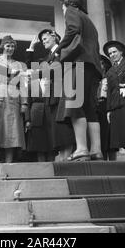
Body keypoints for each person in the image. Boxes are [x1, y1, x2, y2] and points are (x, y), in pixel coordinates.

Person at [54, 0, 103, 161]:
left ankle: (82, 149)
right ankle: (96, 150)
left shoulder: (71, 11)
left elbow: (72, 30)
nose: (62, 9)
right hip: (92, 66)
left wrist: (57, 49)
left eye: (62, 5)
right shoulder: (88, 20)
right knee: (89, 108)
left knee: (75, 104)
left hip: (78, 63)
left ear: (68, 4)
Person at [26, 29, 76, 161]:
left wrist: (36, 74)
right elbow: (33, 67)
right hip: (52, 96)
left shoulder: (61, 50)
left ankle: (67, 155)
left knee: (64, 126)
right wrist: (31, 49)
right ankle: (64, 156)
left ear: (54, 37)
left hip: (61, 93)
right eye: (42, 41)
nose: (43, 42)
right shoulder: (50, 55)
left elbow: (56, 70)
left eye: (46, 39)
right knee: (57, 128)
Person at [0, 36, 27, 163]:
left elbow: (23, 85)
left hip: (13, 97)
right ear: (2, 46)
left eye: (12, 46)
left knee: (12, 130)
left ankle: (9, 163)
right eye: (8, 45)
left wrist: (24, 103)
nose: (10, 48)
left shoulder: (20, 65)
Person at [97, 55, 117, 161]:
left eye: (102, 63)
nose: (100, 66)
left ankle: (113, 162)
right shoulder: (93, 78)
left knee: (110, 136)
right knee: (100, 137)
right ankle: (103, 161)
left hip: (108, 105)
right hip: (96, 108)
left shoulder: (110, 77)